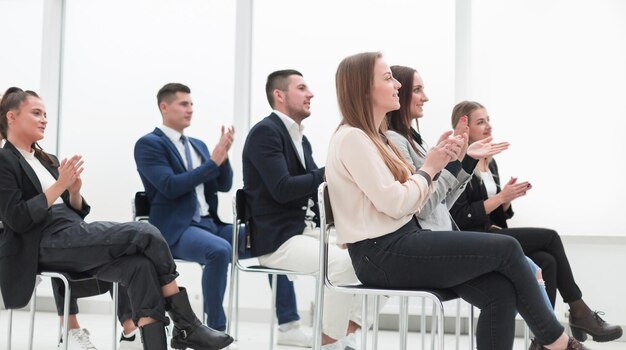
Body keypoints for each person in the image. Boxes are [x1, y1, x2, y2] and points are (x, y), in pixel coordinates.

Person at [326, 52, 590, 350]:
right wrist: (430, 167)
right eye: (388, 78)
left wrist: (440, 162)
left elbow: (412, 202)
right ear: (363, 89)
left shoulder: (376, 139)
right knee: (508, 247)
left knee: (500, 292)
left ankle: (554, 341)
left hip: (399, 242)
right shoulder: (353, 138)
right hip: (382, 252)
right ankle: (558, 343)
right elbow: (398, 203)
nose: (397, 84)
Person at [0, 87, 233, 350]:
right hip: (41, 242)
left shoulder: (47, 159)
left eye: (45, 113)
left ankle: (157, 344)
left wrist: (73, 192)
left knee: (138, 266)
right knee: (145, 232)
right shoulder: (4, 160)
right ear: (11, 117)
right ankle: (187, 324)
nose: (44, 119)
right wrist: (59, 186)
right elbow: (17, 219)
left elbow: (74, 211)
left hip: (69, 234)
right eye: (36, 113)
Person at [133, 83, 308, 347]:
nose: (190, 109)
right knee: (218, 251)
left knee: (273, 238)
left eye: (191, 104)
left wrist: (222, 159)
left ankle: (289, 324)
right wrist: (212, 163)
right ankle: (211, 329)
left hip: (209, 224)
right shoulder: (149, 144)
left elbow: (224, 185)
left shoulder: (199, 145)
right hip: (176, 230)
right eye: (183, 104)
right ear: (164, 107)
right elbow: (170, 186)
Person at [449, 100, 623, 346]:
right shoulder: (457, 162)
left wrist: (506, 200)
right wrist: (500, 197)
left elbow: (498, 218)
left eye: (488, 119)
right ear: (464, 128)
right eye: (481, 122)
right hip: (472, 239)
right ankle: (579, 311)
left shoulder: (491, 161)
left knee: (547, 261)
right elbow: (460, 216)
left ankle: (544, 340)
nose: (488, 126)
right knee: (550, 237)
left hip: (492, 232)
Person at [385, 64, 556, 311]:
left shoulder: (419, 142)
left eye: (488, 121)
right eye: (418, 90)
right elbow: (431, 207)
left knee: (543, 262)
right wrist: (458, 162)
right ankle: (560, 334)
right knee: (532, 249)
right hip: (447, 237)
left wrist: (501, 196)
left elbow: (443, 202)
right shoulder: (398, 142)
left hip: (459, 232)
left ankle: (556, 334)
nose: (426, 97)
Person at [243, 69, 371, 350]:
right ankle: (328, 342)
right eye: (301, 88)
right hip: (277, 240)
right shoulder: (266, 132)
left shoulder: (300, 138)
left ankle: (343, 332)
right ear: (279, 95)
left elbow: (315, 187)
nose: (310, 93)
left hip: (303, 231)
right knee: (343, 265)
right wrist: (332, 169)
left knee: (375, 256)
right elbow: (283, 188)